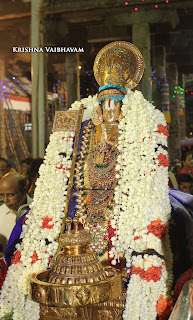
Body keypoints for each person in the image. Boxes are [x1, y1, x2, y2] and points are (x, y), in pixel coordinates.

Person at [0, 41, 192, 320]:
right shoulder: (75, 118)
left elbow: (147, 184)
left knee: (172, 224)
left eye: (114, 107)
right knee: (27, 228)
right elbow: (56, 173)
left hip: (127, 213)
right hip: (76, 218)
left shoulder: (145, 119)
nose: (108, 112)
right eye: (104, 107)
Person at [0, 172, 32, 253]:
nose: (5, 200)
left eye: (10, 195)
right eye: (2, 195)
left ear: (24, 190)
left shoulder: (38, 210)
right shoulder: (1, 212)